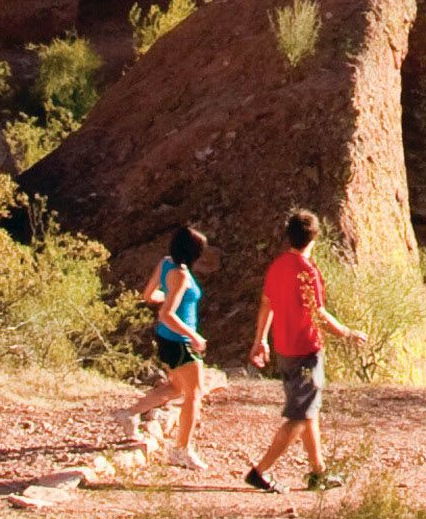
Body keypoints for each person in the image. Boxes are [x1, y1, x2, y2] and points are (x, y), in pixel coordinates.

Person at [239, 206, 371, 495]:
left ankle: (318, 471)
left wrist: (261, 339)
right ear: (314, 239)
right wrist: (347, 333)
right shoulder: (307, 271)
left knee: (308, 411)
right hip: (305, 350)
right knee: (299, 417)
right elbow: (319, 313)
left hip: (285, 349)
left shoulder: (277, 266)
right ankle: (260, 472)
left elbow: (267, 303)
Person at [115, 223, 211, 479]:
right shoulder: (180, 274)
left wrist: (165, 299)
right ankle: (182, 450)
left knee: (177, 388)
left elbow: (149, 295)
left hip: (166, 339)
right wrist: (195, 336)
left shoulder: (165, 262)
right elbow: (166, 314)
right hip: (180, 341)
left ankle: (128, 414)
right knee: (194, 394)